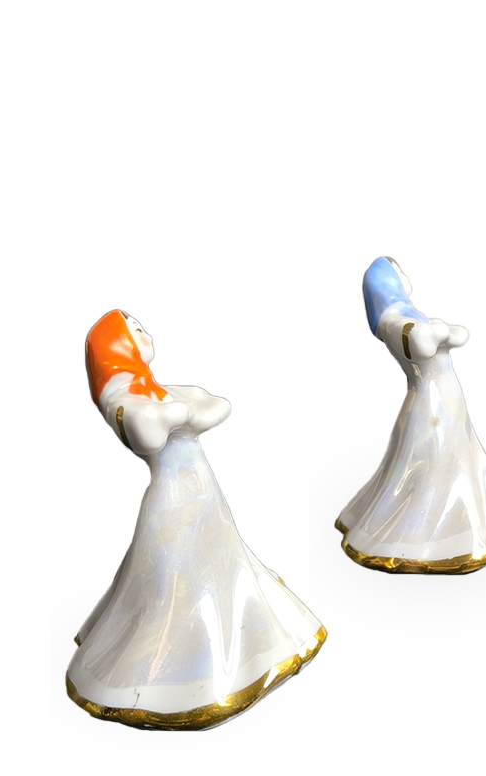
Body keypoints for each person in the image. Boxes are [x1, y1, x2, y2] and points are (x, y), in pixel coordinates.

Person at [67, 310, 326, 729]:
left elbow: (216, 406)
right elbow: (147, 434)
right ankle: (177, 673)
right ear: (117, 346)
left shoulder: (155, 390)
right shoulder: (120, 396)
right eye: (136, 330)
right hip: (171, 500)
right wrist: (179, 413)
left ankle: (241, 648)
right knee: (169, 579)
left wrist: (181, 411)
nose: (147, 335)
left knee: (224, 565)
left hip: (203, 490)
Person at [337, 257, 486, 573]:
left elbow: (455, 336)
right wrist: (440, 331)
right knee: (434, 462)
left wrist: (443, 331)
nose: (406, 278)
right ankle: (425, 537)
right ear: (387, 283)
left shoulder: (410, 315)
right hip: (430, 403)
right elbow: (421, 345)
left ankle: (476, 516)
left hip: (448, 397)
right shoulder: (392, 322)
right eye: (399, 273)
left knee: (463, 456)